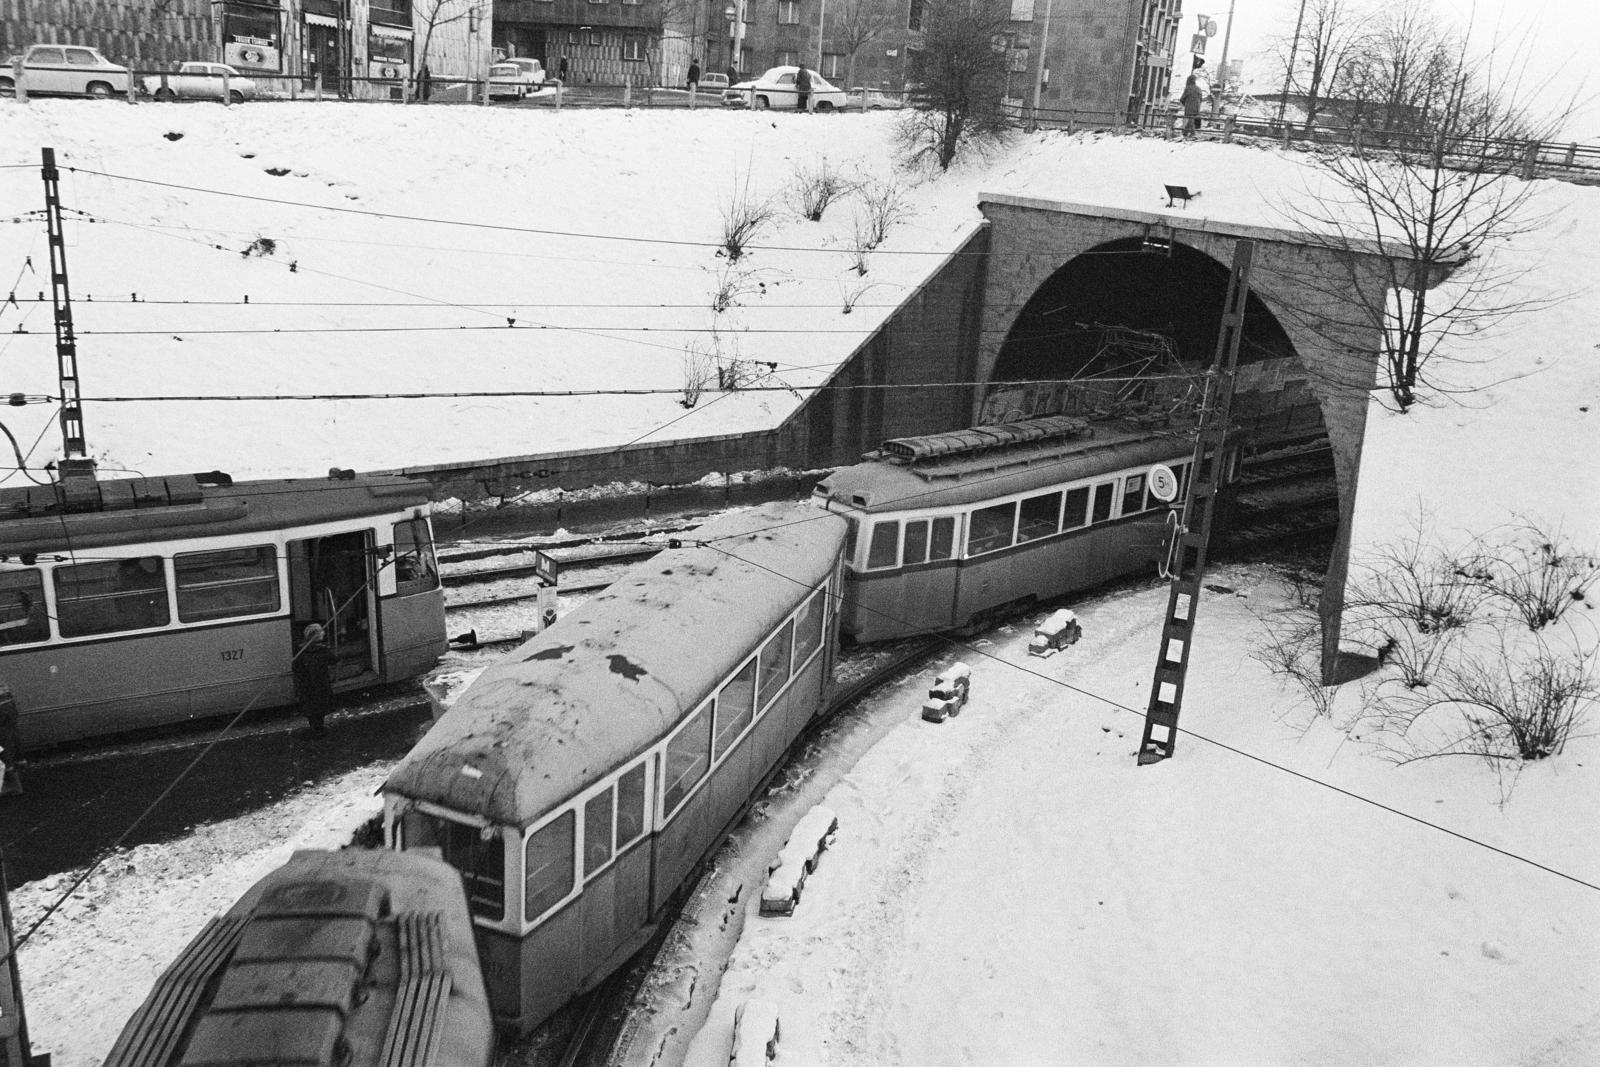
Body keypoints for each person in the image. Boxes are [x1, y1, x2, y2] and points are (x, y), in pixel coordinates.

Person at [292, 623, 336, 737]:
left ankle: (314, 728)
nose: (324, 633)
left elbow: (296, 667)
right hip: (321, 684)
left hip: (306, 685)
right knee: (320, 706)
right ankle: (320, 729)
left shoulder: (301, 651)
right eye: (321, 632)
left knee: (310, 706)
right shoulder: (323, 650)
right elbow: (334, 660)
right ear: (316, 635)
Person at [1180, 60, 1206, 139]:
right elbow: (1201, 99)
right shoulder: (1198, 89)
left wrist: (1184, 103)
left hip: (1189, 107)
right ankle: (1186, 132)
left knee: (1190, 119)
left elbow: (1182, 98)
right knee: (1191, 119)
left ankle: (1191, 133)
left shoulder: (1188, 88)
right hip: (1197, 107)